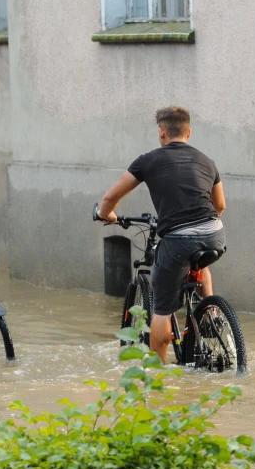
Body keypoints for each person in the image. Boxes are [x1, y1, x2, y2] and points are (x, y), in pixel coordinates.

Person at [95, 106, 226, 363]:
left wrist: (106, 214)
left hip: (177, 239)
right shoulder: (207, 161)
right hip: (215, 235)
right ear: (189, 132)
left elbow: (111, 197)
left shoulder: (148, 160)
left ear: (161, 132)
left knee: (161, 309)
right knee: (199, 261)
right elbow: (220, 206)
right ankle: (211, 314)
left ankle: (158, 377)